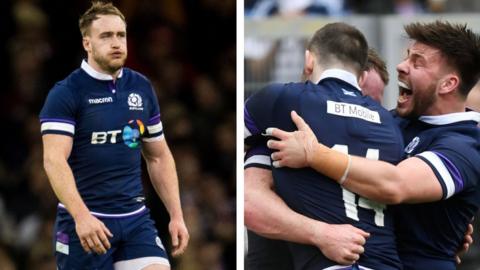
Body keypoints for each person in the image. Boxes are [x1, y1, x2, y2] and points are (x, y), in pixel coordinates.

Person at [267, 20, 480, 270]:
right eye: (407, 57)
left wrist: (315, 155)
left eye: (417, 62)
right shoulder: (393, 122)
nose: (401, 66)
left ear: (448, 84)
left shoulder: (465, 146)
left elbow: (395, 185)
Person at [39, 2, 189, 269]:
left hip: (135, 219)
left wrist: (176, 215)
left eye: (121, 35)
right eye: (106, 36)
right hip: (86, 222)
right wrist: (82, 217)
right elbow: (53, 161)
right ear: (87, 43)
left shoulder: (141, 87)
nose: (117, 42)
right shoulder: (66, 93)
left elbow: (158, 156)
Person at [245, 22, 406, 270]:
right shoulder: (390, 126)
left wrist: (315, 154)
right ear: (360, 75)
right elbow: (251, 203)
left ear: (309, 61)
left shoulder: (284, 104)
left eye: (372, 99)